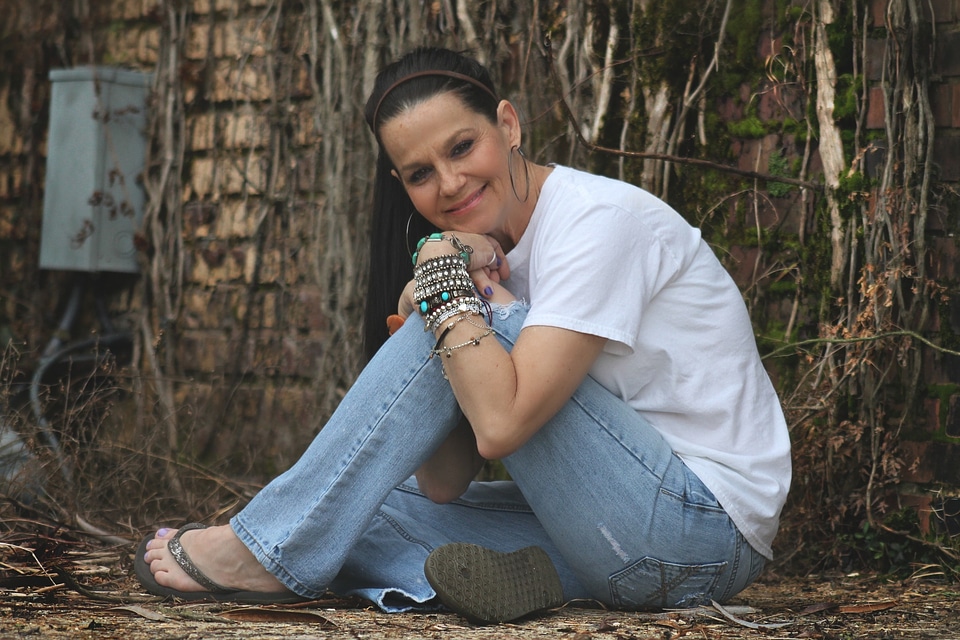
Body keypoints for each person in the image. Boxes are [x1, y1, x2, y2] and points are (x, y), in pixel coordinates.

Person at [136, 46, 792, 625]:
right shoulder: (486, 252)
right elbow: (444, 480)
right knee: (364, 508)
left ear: (507, 125)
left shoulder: (598, 224)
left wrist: (440, 278)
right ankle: (537, 578)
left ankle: (265, 550)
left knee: (455, 315)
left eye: (461, 147)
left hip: (697, 531)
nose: (449, 184)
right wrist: (446, 294)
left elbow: (501, 426)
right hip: (610, 531)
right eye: (420, 174)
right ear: (401, 184)